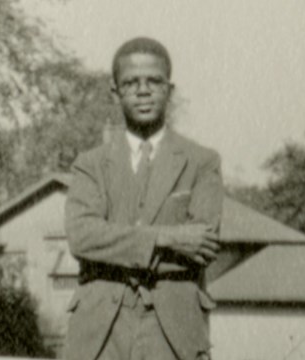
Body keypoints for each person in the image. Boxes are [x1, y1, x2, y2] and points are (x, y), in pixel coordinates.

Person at [64, 37, 224, 360]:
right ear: (115, 93)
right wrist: (167, 237)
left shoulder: (202, 161)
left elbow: (201, 247)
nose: (143, 90)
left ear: (170, 90)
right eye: (131, 83)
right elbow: (82, 238)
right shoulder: (90, 164)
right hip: (100, 334)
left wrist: (113, 244)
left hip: (174, 333)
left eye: (154, 81)